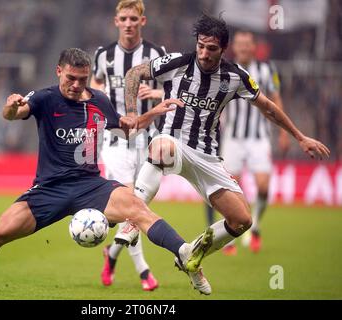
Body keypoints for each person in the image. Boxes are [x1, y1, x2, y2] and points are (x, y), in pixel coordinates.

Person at [0, 48, 212, 300]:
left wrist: (152, 113)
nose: (76, 84)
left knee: (139, 209)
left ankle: (185, 254)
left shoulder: (99, 101)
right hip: (49, 189)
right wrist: (11, 106)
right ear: (58, 71)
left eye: (82, 79)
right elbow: (12, 115)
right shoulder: (44, 98)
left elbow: (126, 130)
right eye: (71, 78)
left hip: (91, 186)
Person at [116, 13, 330, 293]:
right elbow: (134, 74)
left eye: (212, 48)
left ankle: (192, 254)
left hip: (207, 155)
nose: (204, 54)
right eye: (201, 46)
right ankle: (133, 220)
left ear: (223, 49)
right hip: (173, 141)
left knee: (242, 220)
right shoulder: (177, 62)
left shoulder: (236, 77)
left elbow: (267, 107)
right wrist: (132, 113)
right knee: (161, 146)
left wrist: (299, 136)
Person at [90, 0, 165, 291]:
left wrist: (156, 91)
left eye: (134, 18)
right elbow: (93, 85)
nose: (129, 23)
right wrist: (103, 91)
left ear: (142, 21)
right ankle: (144, 271)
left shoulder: (156, 54)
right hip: (116, 139)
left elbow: (173, 88)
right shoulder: (103, 55)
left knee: (136, 207)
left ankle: (111, 253)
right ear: (116, 21)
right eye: (124, 18)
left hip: (148, 139)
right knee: (132, 204)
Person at [220, 30, 290, 255]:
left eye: (247, 44)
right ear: (235, 47)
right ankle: (229, 237)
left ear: (253, 47)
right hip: (232, 138)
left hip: (259, 137)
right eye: (239, 44)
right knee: (231, 188)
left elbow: (276, 98)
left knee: (263, 186)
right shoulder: (226, 69)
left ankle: (256, 225)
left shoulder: (267, 70)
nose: (243, 48)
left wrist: (283, 132)